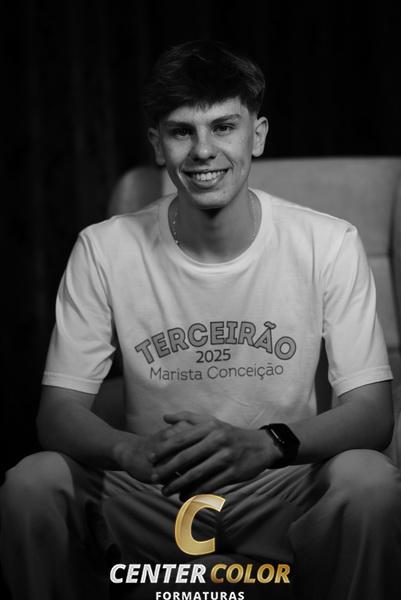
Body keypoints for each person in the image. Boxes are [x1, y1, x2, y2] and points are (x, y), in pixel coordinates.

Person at [1, 40, 401, 600]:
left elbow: (373, 414)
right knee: (31, 482)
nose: (203, 151)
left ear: (257, 135)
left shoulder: (328, 243)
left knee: (370, 482)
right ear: (157, 144)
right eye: (181, 131)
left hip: (279, 487)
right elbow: (57, 414)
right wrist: (128, 451)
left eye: (223, 127)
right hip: (153, 491)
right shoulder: (104, 248)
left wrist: (266, 444)